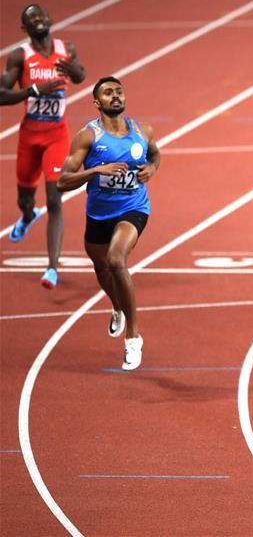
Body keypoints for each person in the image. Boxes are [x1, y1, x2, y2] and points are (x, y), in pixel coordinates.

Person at [58, 77, 159, 370]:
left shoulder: (142, 130)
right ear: (97, 102)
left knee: (116, 260)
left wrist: (151, 169)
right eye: (108, 93)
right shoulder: (88, 137)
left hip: (134, 207)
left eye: (118, 91)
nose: (115, 96)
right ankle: (118, 307)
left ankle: (133, 337)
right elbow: (62, 181)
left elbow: (155, 153)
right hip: (99, 213)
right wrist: (96, 170)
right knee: (101, 268)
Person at [0, 4, 86, 288]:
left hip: (56, 136)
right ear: (25, 29)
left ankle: (51, 268)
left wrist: (75, 71)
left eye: (41, 16)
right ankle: (27, 215)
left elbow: (80, 75)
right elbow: (2, 95)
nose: (38, 20)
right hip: (29, 137)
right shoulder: (20, 56)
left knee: (54, 199)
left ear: (50, 20)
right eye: (30, 19)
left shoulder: (66, 48)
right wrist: (34, 90)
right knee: (25, 198)